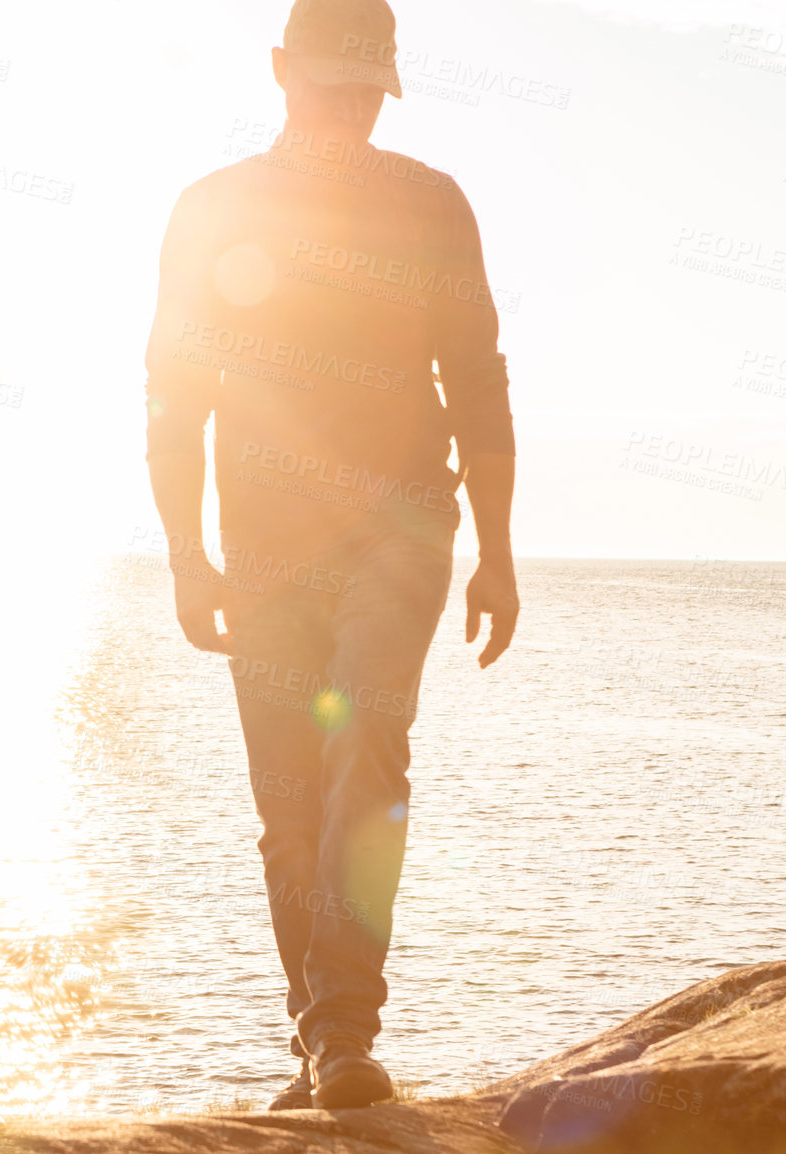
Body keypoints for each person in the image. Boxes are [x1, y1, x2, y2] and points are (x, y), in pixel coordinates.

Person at [142, 0, 518, 1112]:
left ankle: (346, 1033)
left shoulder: (429, 206)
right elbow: (175, 396)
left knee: (366, 734)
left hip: (400, 534)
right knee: (287, 804)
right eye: (329, 88)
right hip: (260, 555)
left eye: (366, 93)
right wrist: (183, 555)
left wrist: (495, 551)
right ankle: (317, 1042)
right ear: (278, 74)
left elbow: (479, 378)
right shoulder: (210, 212)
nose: (347, 112)